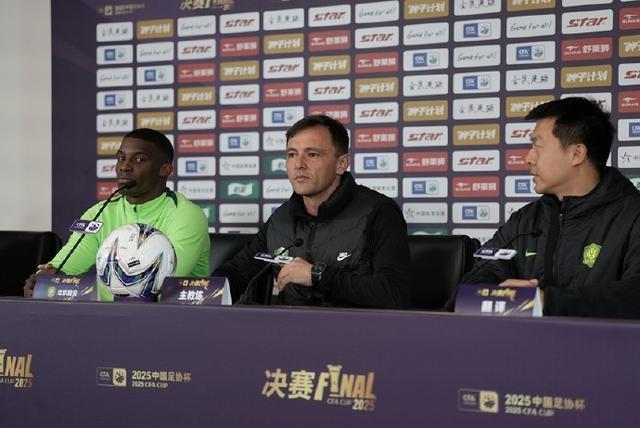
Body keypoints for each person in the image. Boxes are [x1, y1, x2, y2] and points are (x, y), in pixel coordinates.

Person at [456, 97, 640, 318]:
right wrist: (498, 295)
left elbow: (634, 294)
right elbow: (479, 277)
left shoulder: (633, 215)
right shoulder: (525, 220)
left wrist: (547, 302)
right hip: (523, 340)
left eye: (537, 146)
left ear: (576, 154)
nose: (528, 158)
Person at [213, 114, 412, 308]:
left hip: (355, 329)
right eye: (292, 154)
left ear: (341, 164)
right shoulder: (280, 219)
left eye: (312, 154)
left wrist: (317, 275)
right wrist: (204, 292)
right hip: (290, 328)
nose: (299, 164)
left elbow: (394, 293)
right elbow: (238, 272)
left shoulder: (379, 212)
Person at [24, 128, 210, 297]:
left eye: (139, 159)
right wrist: (43, 280)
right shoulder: (99, 212)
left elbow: (160, 281)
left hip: (170, 319)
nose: (125, 166)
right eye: (121, 158)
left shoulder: (187, 215)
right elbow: (65, 266)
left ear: (164, 169)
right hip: (106, 319)